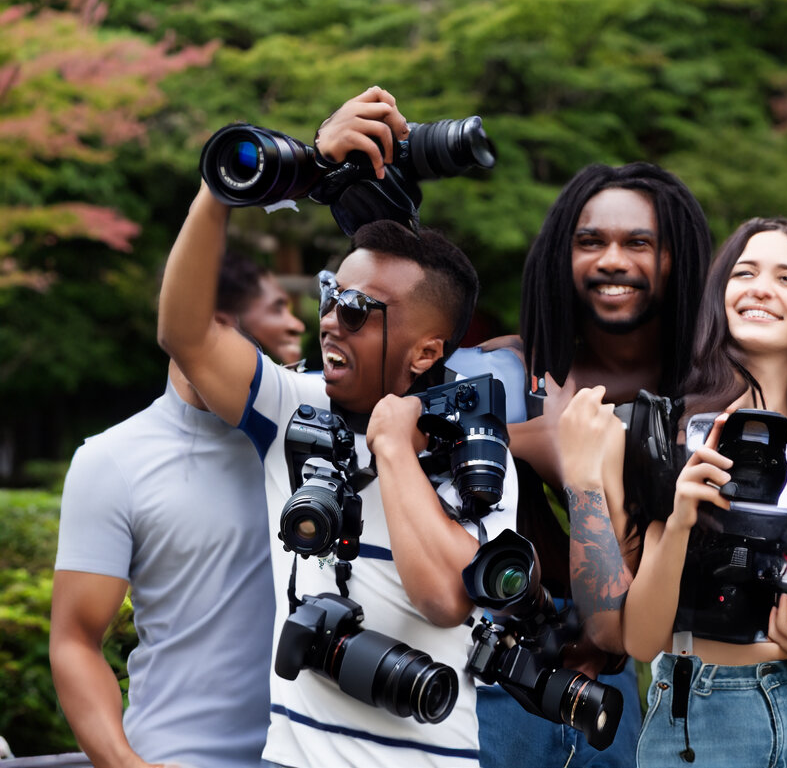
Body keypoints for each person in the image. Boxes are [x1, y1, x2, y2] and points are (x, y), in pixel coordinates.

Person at [156, 86, 517, 768]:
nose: (329, 319)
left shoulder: (477, 450)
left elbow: (443, 597)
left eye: (358, 309)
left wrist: (393, 447)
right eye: (330, 294)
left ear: (426, 351)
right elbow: (183, 332)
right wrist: (229, 186)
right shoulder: (295, 404)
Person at [565, 217, 787, 767]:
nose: (760, 287)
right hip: (710, 715)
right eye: (744, 272)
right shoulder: (670, 430)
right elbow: (641, 640)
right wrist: (679, 521)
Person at [447, 162, 712, 767]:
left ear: (678, 259)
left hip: (650, 688)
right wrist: (532, 439)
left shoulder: (714, 394)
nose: (611, 260)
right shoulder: (506, 374)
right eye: (590, 241)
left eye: (638, 243)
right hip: (501, 677)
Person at [50, 251, 306, 768]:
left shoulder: (322, 434)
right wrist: (122, 762)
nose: (294, 323)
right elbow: (75, 640)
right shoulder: (111, 459)